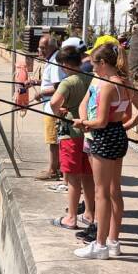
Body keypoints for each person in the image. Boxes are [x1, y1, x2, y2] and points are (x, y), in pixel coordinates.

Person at [72, 42, 138, 259]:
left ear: (104, 63)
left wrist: (84, 123)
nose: (93, 68)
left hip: (103, 138)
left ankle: (100, 245)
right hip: (118, 137)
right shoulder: (125, 83)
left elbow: (101, 121)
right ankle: (114, 241)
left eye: (95, 64)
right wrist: (122, 128)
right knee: (115, 191)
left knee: (101, 193)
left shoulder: (106, 86)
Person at [49, 45, 94, 230]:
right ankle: (90, 214)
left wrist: (58, 112)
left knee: (73, 178)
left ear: (66, 64)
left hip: (71, 134)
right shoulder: (92, 78)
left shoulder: (68, 82)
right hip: (89, 134)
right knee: (88, 176)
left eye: (61, 65)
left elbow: (53, 102)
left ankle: (71, 217)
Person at [30, 35, 62, 180]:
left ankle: (53, 170)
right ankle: (58, 167)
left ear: (52, 47)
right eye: (40, 47)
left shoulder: (55, 61)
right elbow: (51, 81)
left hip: (52, 107)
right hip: (51, 106)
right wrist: (36, 82)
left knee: (52, 140)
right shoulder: (53, 59)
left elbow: (59, 87)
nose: (40, 50)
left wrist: (41, 94)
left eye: (43, 47)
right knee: (54, 139)